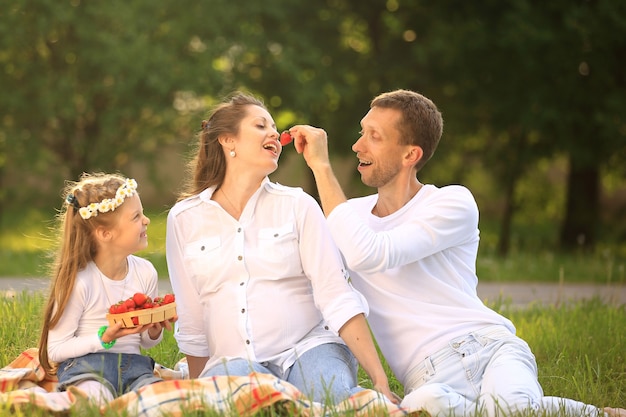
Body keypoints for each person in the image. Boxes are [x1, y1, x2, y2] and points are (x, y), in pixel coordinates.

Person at [289, 89, 625, 417]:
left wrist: (322, 167)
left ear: (410, 155)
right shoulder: (349, 218)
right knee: (433, 404)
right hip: (427, 376)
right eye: (362, 132)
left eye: (374, 136)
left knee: (510, 409)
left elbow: (371, 253)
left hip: (490, 348)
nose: (357, 145)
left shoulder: (452, 203)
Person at [165, 91, 397, 405]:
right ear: (227, 141)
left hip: (309, 348)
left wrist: (380, 381)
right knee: (242, 405)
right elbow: (192, 318)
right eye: (261, 126)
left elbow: (336, 294)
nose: (274, 133)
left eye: (274, 128)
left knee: (336, 400)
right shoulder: (185, 218)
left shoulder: (298, 205)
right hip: (235, 361)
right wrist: (199, 395)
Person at [38, 172, 175, 406]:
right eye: (136, 217)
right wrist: (103, 339)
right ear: (105, 233)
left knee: (162, 402)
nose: (146, 220)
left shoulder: (145, 272)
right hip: (88, 367)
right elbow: (56, 349)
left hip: (135, 368)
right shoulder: (80, 281)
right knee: (94, 399)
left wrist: (153, 330)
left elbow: (144, 341)